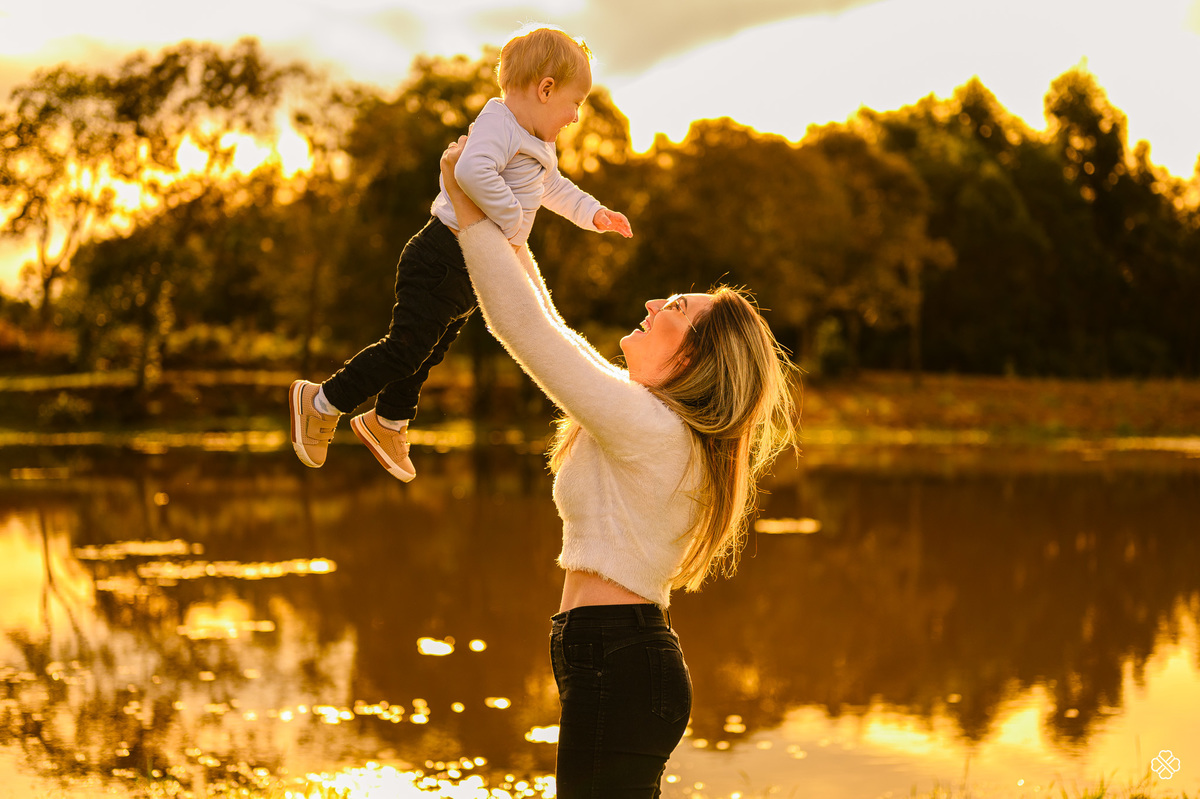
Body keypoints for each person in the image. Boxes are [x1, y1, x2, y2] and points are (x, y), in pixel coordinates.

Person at [439, 135, 798, 796]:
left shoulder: (656, 430)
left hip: (619, 659)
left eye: (676, 309)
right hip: (610, 656)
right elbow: (551, 326)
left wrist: (467, 212)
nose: (653, 304)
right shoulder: (649, 421)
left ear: (692, 359)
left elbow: (525, 328)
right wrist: (507, 223)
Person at [289, 25, 631, 481]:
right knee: (406, 349)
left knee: (427, 353)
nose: (574, 117)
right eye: (575, 104)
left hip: (470, 269)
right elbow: (471, 170)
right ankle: (320, 402)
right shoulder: (500, 122)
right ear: (545, 89)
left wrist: (594, 213)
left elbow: (552, 188)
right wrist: (511, 223)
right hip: (440, 256)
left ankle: (387, 422)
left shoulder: (539, 145)